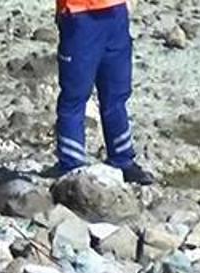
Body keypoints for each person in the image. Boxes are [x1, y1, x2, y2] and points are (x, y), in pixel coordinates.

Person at [55, 0, 153, 185]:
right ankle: (71, 167)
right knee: (74, 97)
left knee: (116, 94)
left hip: (115, 13)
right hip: (78, 15)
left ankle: (122, 159)